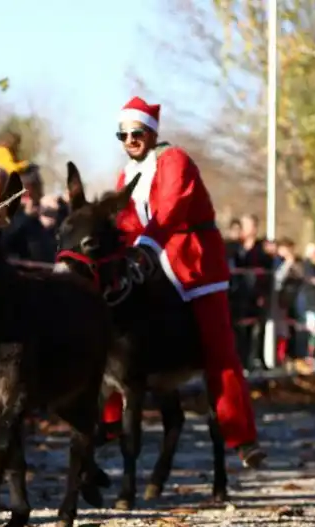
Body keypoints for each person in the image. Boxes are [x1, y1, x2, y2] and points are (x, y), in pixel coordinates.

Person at [102, 96, 265, 468]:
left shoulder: (175, 160)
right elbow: (124, 222)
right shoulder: (125, 175)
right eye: (122, 134)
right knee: (109, 319)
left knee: (218, 349)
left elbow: (172, 207)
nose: (129, 140)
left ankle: (242, 437)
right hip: (148, 261)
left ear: (151, 131)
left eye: (136, 132)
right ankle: (107, 421)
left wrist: (144, 247)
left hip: (193, 263)